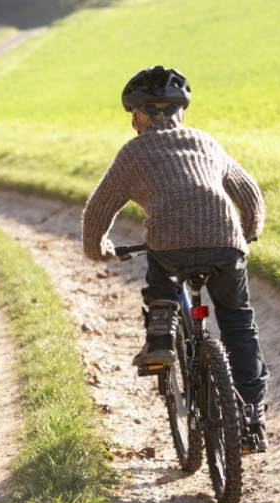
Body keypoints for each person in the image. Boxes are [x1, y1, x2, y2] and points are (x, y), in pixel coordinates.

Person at [81, 66, 269, 451]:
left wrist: (96, 249)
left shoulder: (133, 152)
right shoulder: (204, 142)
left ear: (139, 116)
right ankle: (251, 414)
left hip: (170, 243)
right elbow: (248, 193)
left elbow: (99, 210)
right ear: (180, 112)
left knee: (161, 259)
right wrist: (247, 232)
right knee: (237, 324)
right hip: (225, 240)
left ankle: (161, 332)